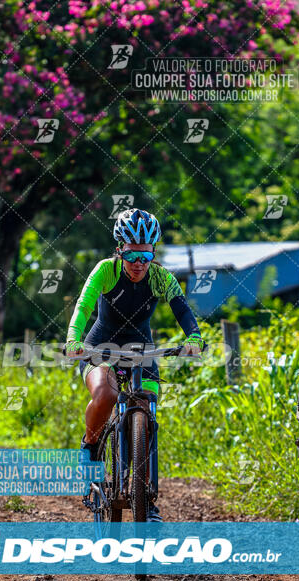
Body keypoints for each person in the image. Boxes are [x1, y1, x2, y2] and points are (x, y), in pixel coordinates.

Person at [64, 208, 203, 521]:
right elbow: (83, 307)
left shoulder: (160, 277)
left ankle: (146, 497)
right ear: (119, 251)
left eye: (146, 256)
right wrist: (74, 338)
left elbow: (182, 310)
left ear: (153, 253)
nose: (139, 264)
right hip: (102, 347)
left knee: (148, 406)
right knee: (106, 396)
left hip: (143, 351)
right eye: (131, 256)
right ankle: (89, 446)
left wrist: (194, 336)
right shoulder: (105, 271)